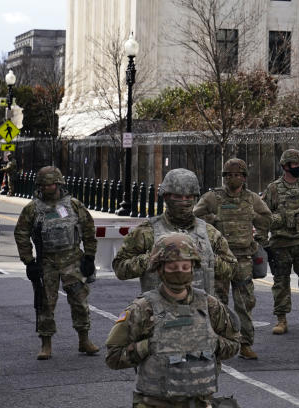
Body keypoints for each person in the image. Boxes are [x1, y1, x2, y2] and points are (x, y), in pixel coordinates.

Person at [105, 232, 241, 408]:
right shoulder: (143, 309)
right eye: (172, 267)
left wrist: (213, 344)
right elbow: (113, 357)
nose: (180, 272)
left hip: (200, 402)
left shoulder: (209, 305)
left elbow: (234, 344)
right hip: (156, 403)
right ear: (160, 269)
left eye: (185, 267)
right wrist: (149, 346)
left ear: (193, 267)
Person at [14, 165, 99, 360]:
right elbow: (21, 234)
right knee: (45, 303)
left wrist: (90, 257)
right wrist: (29, 262)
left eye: (50, 184)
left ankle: (84, 339)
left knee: (79, 301)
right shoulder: (33, 208)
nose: (46, 188)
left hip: (72, 259)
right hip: (47, 262)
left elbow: (88, 229)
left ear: (59, 183)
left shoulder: (74, 205)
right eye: (42, 185)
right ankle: (46, 343)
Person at [194, 157, 271, 360]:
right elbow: (195, 216)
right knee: (217, 302)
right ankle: (217, 342)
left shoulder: (252, 198)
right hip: (220, 258)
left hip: (244, 258)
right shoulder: (213, 198)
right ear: (223, 177)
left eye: (237, 175)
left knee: (245, 303)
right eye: (229, 175)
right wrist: (213, 221)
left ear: (244, 178)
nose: (233, 178)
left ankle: (245, 343)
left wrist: (257, 229)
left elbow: (266, 218)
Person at [113, 168, 236, 294]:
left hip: (200, 310)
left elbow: (232, 269)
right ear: (166, 197)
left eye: (188, 197)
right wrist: (151, 258)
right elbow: (120, 268)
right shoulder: (147, 232)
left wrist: (208, 258)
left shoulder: (209, 233)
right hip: (158, 310)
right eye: (178, 196)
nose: (183, 201)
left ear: (195, 198)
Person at [263, 148, 299, 335]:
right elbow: (264, 215)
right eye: (295, 164)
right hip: (281, 243)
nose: (298, 167)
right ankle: (281, 319)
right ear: (285, 166)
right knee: (281, 282)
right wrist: (279, 220)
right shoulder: (273, 189)